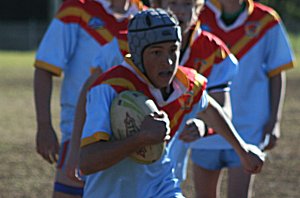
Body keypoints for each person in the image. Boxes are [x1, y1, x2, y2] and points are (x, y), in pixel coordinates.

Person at [79, 8, 264, 197]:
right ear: (137, 54)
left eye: (173, 49)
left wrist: (243, 150)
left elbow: (209, 108)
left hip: (161, 187)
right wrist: (140, 138)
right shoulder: (109, 88)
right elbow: (87, 162)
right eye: (156, 52)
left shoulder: (186, 83)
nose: (167, 61)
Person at [33, 0, 143, 197]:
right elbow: (44, 67)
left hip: (129, 137)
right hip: (80, 133)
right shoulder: (78, 7)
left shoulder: (146, 16)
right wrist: (43, 124)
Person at [190, 0, 295, 197]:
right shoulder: (196, 12)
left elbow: (276, 71)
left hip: (248, 127)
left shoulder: (266, 20)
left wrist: (275, 121)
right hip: (206, 127)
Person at [149, 0, 238, 183]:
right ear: (157, 5)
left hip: (171, 164)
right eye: (173, 2)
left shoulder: (213, 50)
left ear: (198, 10)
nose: (180, 11)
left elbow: (224, 109)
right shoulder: (131, 41)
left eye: (187, 4)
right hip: (128, 155)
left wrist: (203, 126)